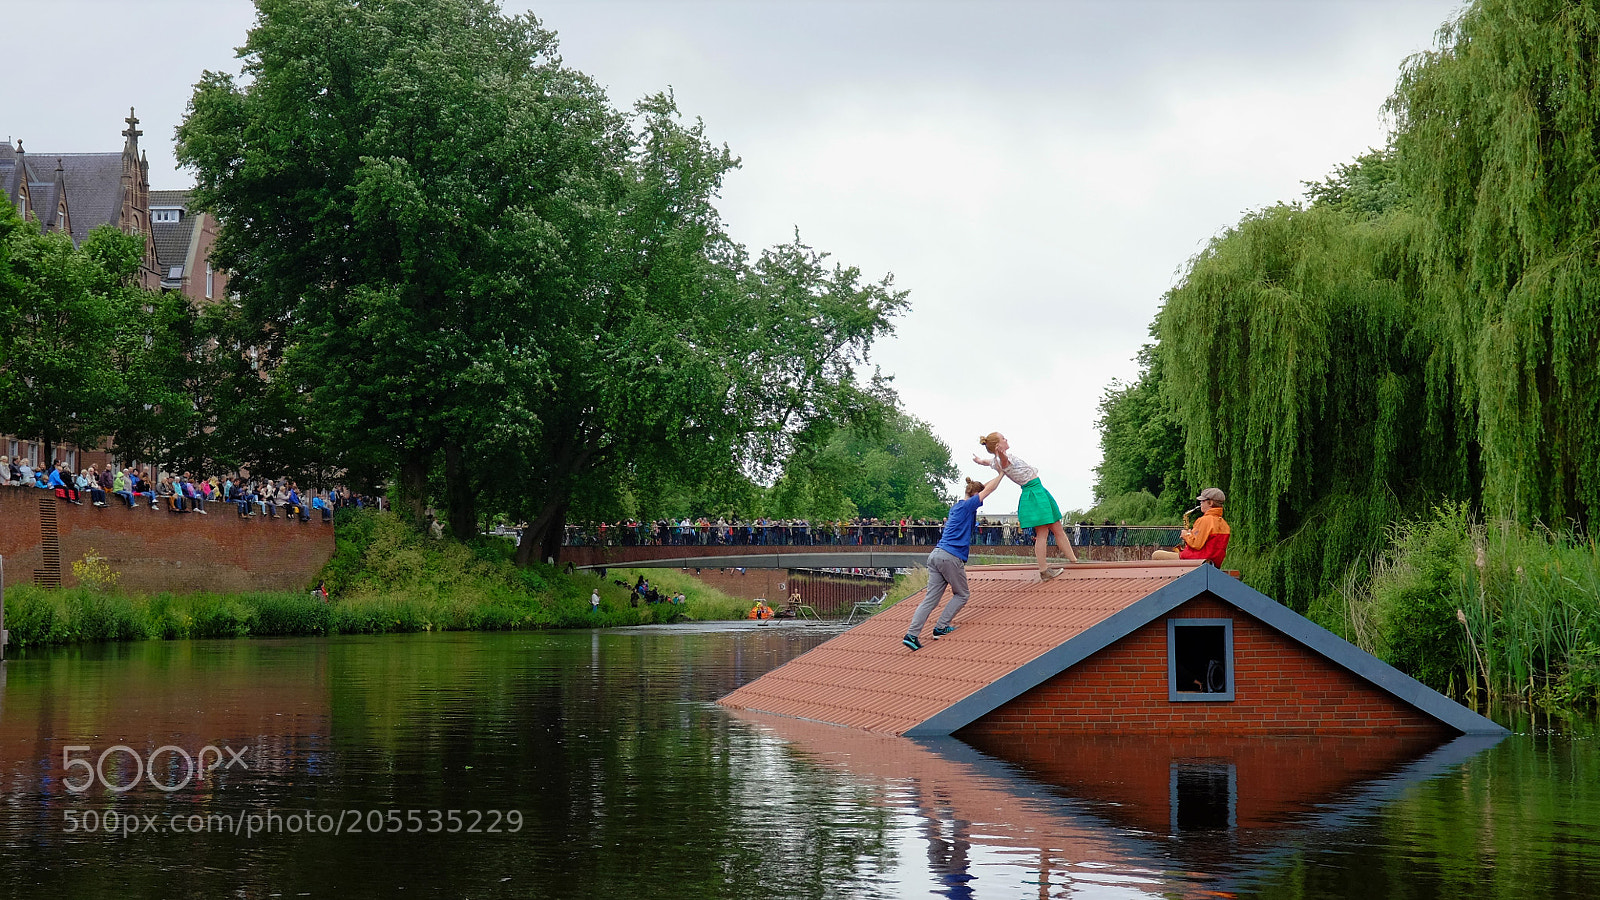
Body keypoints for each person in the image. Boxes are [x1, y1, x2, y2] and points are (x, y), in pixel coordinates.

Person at [903, 470, 1004, 651]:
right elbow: (988, 490)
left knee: (930, 600)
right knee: (962, 594)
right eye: (979, 498)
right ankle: (941, 627)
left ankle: (912, 635)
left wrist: (996, 473)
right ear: (974, 495)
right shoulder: (967, 506)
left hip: (936, 554)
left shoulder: (956, 507)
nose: (981, 503)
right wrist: (1003, 472)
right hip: (951, 556)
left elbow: (984, 488)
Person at [974, 432, 1079, 579]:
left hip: (1039, 490)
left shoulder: (996, 461)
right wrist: (1000, 453)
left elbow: (988, 461)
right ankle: (1044, 570)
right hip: (1033, 492)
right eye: (1003, 438)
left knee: (1057, 528)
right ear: (998, 445)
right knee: (1043, 532)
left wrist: (980, 460)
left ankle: (1074, 562)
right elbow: (1003, 460)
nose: (1007, 439)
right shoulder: (1003, 459)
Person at [1153, 488, 1231, 567]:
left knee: (1157, 555)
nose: (1200, 503)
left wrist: (1185, 535)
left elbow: (1196, 544)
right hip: (1213, 563)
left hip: (1197, 560)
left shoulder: (1205, 520)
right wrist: (1191, 534)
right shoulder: (1224, 524)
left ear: (1210, 503)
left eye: (1202, 501)